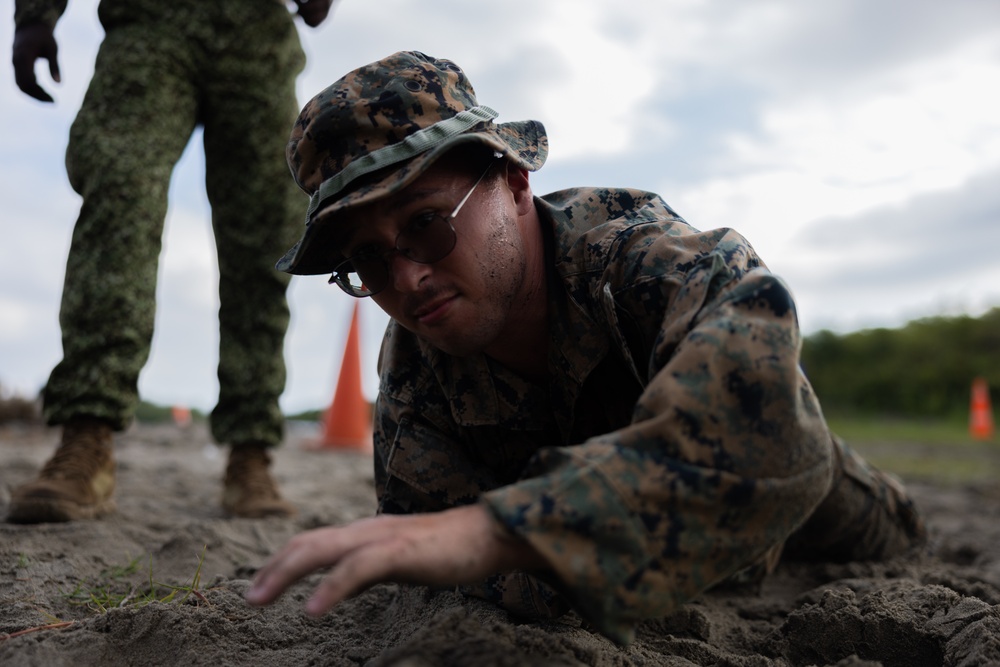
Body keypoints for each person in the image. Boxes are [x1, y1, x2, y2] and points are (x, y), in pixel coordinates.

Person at [244, 51, 926, 643]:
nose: (407, 278)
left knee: (898, 535)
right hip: (663, 551)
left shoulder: (641, 256)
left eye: (426, 222)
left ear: (512, 181)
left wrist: (506, 531)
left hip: (801, 518)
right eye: (368, 261)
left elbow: (770, 433)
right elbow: (439, 556)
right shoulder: (416, 374)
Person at [5, 0, 333, 524]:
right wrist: (35, 15)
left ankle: (251, 453)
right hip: (148, 21)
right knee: (119, 195)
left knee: (264, 235)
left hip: (256, 33)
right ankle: (85, 440)